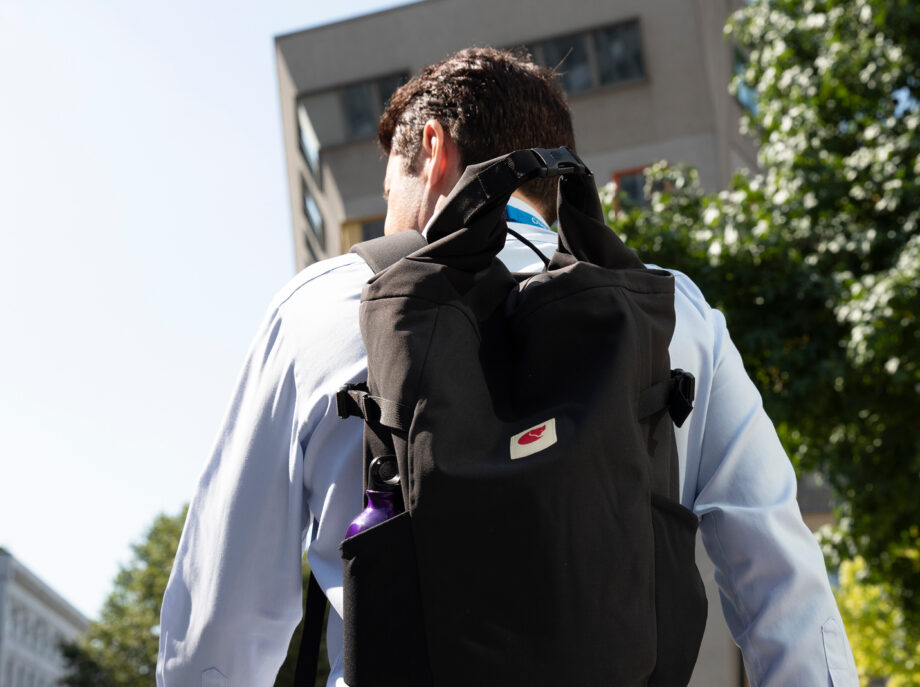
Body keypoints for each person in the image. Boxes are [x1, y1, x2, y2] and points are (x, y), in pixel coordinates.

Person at [157, 47, 858, 687]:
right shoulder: (675, 314)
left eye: (387, 193)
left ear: (431, 148)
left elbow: (219, 629)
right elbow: (783, 587)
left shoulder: (325, 306)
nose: (386, 223)